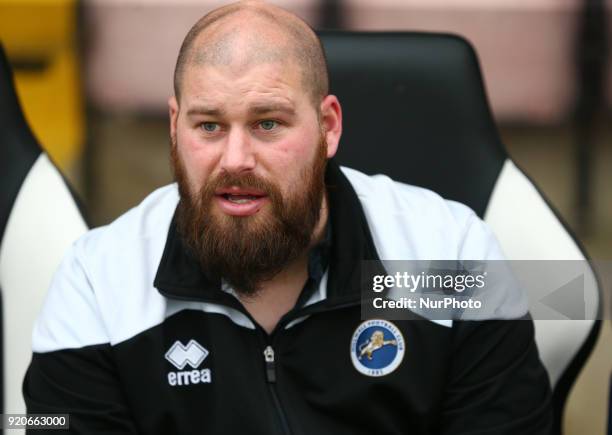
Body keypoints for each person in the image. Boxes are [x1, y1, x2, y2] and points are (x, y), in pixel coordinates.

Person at [24, 1, 553, 433]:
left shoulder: (447, 253)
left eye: (268, 124)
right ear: (174, 126)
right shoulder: (98, 281)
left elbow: (517, 405)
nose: (235, 159)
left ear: (328, 126)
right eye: (208, 126)